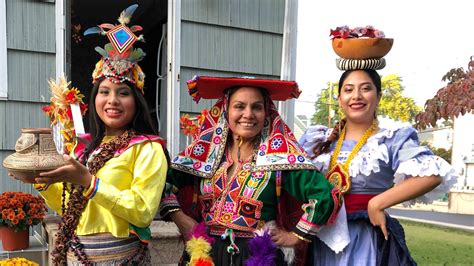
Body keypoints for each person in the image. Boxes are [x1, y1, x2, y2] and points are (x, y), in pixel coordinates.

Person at [10, 5, 169, 265]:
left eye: (123, 93)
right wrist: (41, 180)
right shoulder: (85, 149)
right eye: (105, 92)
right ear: (95, 99)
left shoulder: (147, 148)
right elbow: (68, 207)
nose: (113, 101)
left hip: (121, 257)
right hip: (76, 254)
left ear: (137, 101)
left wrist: (88, 181)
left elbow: (142, 211)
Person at [159, 76, 340, 266]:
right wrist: (180, 218)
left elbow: (324, 195)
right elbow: (162, 184)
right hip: (205, 253)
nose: (248, 114)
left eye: (257, 107)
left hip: (258, 255)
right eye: (239, 106)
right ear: (226, 111)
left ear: (266, 113)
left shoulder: (280, 159)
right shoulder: (204, 156)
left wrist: (296, 236)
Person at [299, 69, 456, 265]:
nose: (356, 96)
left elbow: (432, 174)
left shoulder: (390, 139)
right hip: (317, 236)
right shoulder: (317, 139)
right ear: (339, 98)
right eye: (348, 90)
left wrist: (378, 203)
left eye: (365, 89)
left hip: (362, 239)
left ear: (379, 96)